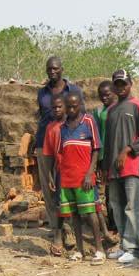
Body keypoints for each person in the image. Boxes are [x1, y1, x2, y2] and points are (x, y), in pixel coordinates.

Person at [44, 93, 105, 263]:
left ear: (80, 105)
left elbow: (96, 148)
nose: (71, 109)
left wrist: (89, 173)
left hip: (83, 177)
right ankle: (80, 250)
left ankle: (99, 249)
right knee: (74, 215)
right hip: (66, 177)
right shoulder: (62, 128)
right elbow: (59, 154)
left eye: (74, 106)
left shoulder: (89, 121)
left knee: (90, 213)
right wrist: (53, 175)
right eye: (68, 106)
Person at [31, 56, 84, 243]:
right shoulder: (42, 93)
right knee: (49, 187)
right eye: (49, 69)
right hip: (45, 143)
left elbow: (81, 116)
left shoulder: (74, 90)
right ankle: (57, 229)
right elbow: (42, 117)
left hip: (68, 142)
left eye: (55, 69)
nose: (52, 72)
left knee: (67, 184)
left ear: (62, 69)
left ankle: (70, 227)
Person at [101, 69, 139, 264]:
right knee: (117, 208)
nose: (120, 87)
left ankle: (134, 249)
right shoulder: (111, 110)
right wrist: (105, 166)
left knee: (132, 207)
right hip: (114, 168)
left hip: (132, 166)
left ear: (130, 84)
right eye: (117, 84)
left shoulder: (138, 106)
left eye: (123, 84)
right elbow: (108, 141)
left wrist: (126, 150)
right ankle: (123, 245)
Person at [92, 80, 119, 240]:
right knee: (109, 193)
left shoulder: (119, 109)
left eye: (107, 94)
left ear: (114, 93)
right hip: (104, 157)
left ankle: (122, 225)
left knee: (120, 192)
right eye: (101, 95)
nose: (104, 98)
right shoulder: (99, 111)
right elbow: (96, 136)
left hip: (118, 155)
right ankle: (113, 225)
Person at [41, 95, 67, 255]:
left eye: (60, 107)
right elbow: (49, 154)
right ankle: (58, 236)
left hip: (76, 170)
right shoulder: (51, 128)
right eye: (54, 108)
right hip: (60, 171)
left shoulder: (75, 124)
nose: (57, 110)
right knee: (59, 203)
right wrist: (50, 174)